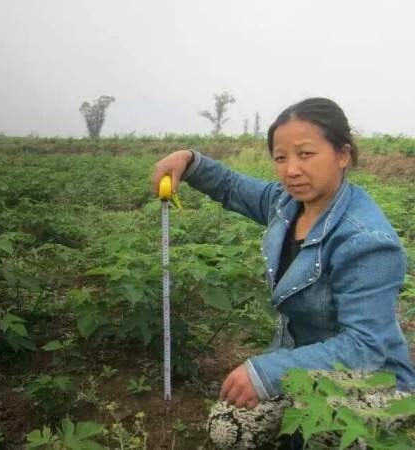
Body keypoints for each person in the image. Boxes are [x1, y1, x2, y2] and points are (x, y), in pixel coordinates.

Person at [152, 98, 415, 449]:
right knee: (228, 427)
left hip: (371, 378)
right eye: (281, 157)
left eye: (305, 154)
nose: (291, 170)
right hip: (299, 362)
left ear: (343, 155)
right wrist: (188, 160)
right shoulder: (287, 204)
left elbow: (365, 345)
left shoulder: (366, 241)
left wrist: (267, 373)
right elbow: (231, 186)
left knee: (320, 426)